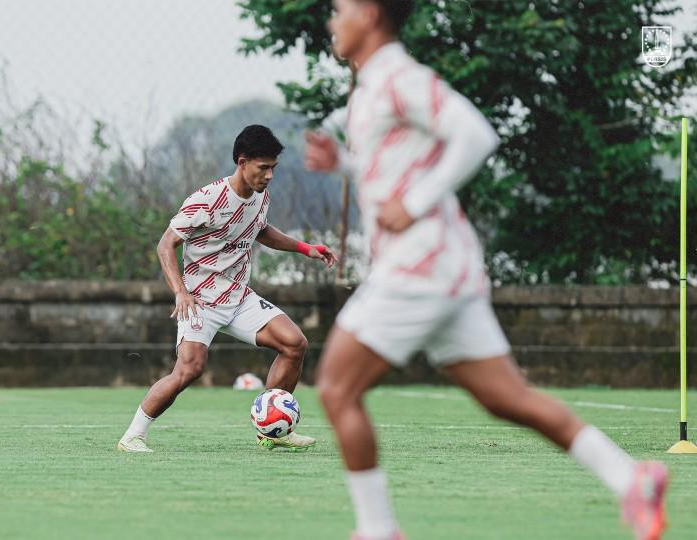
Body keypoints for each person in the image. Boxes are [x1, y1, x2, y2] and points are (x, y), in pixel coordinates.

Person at [304, 2, 667, 539]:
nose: (333, 21)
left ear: (372, 13)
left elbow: (476, 134)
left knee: (336, 389)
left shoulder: (400, 76)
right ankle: (630, 477)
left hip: (419, 267)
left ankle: (378, 531)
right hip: (448, 267)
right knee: (506, 398)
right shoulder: (373, 85)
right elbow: (396, 171)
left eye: (340, 10)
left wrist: (420, 200)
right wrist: (345, 163)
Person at [118, 124, 336, 453]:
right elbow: (165, 245)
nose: (269, 175)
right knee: (189, 370)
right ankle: (132, 436)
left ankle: (272, 433)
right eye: (263, 168)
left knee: (294, 344)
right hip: (200, 302)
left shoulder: (260, 195)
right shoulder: (206, 200)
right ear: (242, 161)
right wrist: (180, 291)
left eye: (273, 168)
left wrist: (306, 248)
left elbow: (260, 231)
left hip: (238, 297)